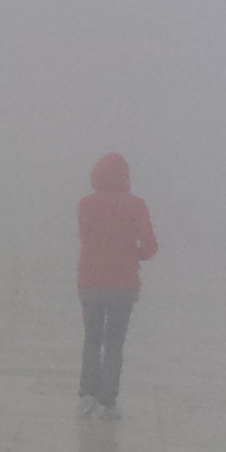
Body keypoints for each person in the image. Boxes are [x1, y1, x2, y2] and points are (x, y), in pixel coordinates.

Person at [74, 153, 157, 415]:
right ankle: (108, 401)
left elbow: (85, 236)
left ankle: (87, 395)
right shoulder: (137, 205)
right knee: (114, 343)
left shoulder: (86, 204)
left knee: (92, 340)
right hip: (123, 284)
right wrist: (133, 255)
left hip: (91, 280)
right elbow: (151, 245)